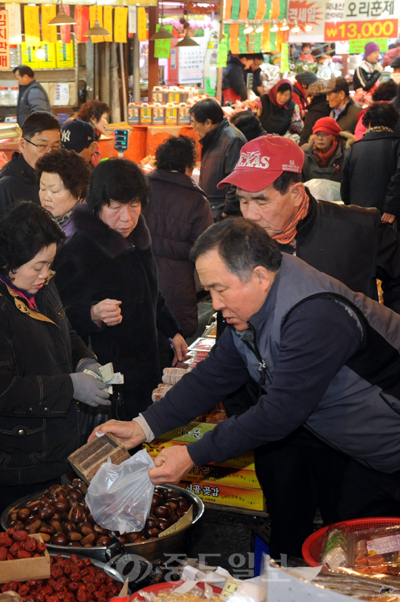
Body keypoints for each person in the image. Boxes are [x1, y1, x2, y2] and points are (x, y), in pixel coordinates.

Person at [92, 217, 400, 556]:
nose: (216, 303)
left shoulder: (314, 314)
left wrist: (192, 454)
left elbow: (279, 413)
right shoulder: (254, 308)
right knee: (363, 557)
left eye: (219, 289)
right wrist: (142, 426)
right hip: (366, 454)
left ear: (259, 275)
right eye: (209, 290)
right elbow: (214, 376)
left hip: (390, 444)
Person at [217, 134, 400, 557]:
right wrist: (243, 409)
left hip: (350, 418)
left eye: (260, 201)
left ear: (296, 192)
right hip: (280, 423)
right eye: (242, 201)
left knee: (353, 537)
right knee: (288, 530)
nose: (249, 213)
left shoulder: (358, 227)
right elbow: (230, 329)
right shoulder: (237, 241)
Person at [53, 158, 187, 422]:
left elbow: (153, 294)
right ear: (97, 206)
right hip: (111, 380)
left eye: (134, 206)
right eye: (115, 207)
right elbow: (59, 317)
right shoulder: (78, 251)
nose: (126, 218)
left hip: (149, 366)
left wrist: (173, 332)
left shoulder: (139, 239)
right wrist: (92, 313)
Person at [0, 201, 110, 516]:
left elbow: (67, 334)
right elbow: (5, 389)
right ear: (10, 262)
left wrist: (84, 361)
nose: (45, 275)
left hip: (55, 446)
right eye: (38, 266)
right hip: (16, 460)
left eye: (49, 264)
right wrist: (69, 387)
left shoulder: (43, 286)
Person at [145, 136, 213, 339]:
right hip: (177, 283)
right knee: (175, 338)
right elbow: (205, 247)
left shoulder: (142, 187)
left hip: (141, 274)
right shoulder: (196, 199)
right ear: (189, 165)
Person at [341, 102, 400, 223]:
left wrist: (353, 208)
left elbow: (345, 189)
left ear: (368, 123)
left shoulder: (354, 149)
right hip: (389, 220)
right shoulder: (396, 145)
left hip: (359, 219)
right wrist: (391, 207)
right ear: (394, 123)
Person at [189, 99, 246, 220]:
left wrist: (227, 210)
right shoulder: (212, 138)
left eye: (194, 122)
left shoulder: (232, 139)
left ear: (208, 122)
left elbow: (237, 179)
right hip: (212, 209)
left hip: (222, 213)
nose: (192, 127)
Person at [0, 111, 61, 214]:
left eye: (55, 147)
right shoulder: (6, 187)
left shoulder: (61, 176)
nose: (50, 152)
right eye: (42, 146)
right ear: (23, 145)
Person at [36, 148, 91, 236]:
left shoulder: (82, 234)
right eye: (42, 188)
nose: (46, 197)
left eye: (54, 191)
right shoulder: (38, 222)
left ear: (78, 192)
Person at [302, 116, 355, 182]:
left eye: (325, 134)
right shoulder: (305, 152)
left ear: (334, 136)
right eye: (317, 134)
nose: (320, 138)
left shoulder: (347, 153)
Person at [299, 80, 331, 146]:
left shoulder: (313, 113)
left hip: (313, 147)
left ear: (312, 96)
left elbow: (305, 136)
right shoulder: (330, 109)